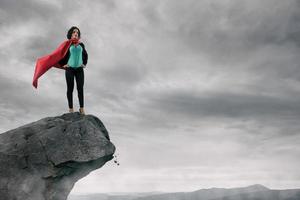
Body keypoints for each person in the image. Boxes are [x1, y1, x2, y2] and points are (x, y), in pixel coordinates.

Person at [58, 26, 88, 115]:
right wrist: (63, 64)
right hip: (69, 69)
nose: (76, 33)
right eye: (74, 32)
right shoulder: (67, 45)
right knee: (70, 89)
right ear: (71, 34)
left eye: (77, 33)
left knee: (80, 88)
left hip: (79, 69)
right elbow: (60, 54)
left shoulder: (81, 45)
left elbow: (86, 55)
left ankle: (82, 108)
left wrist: (84, 63)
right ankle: (71, 109)